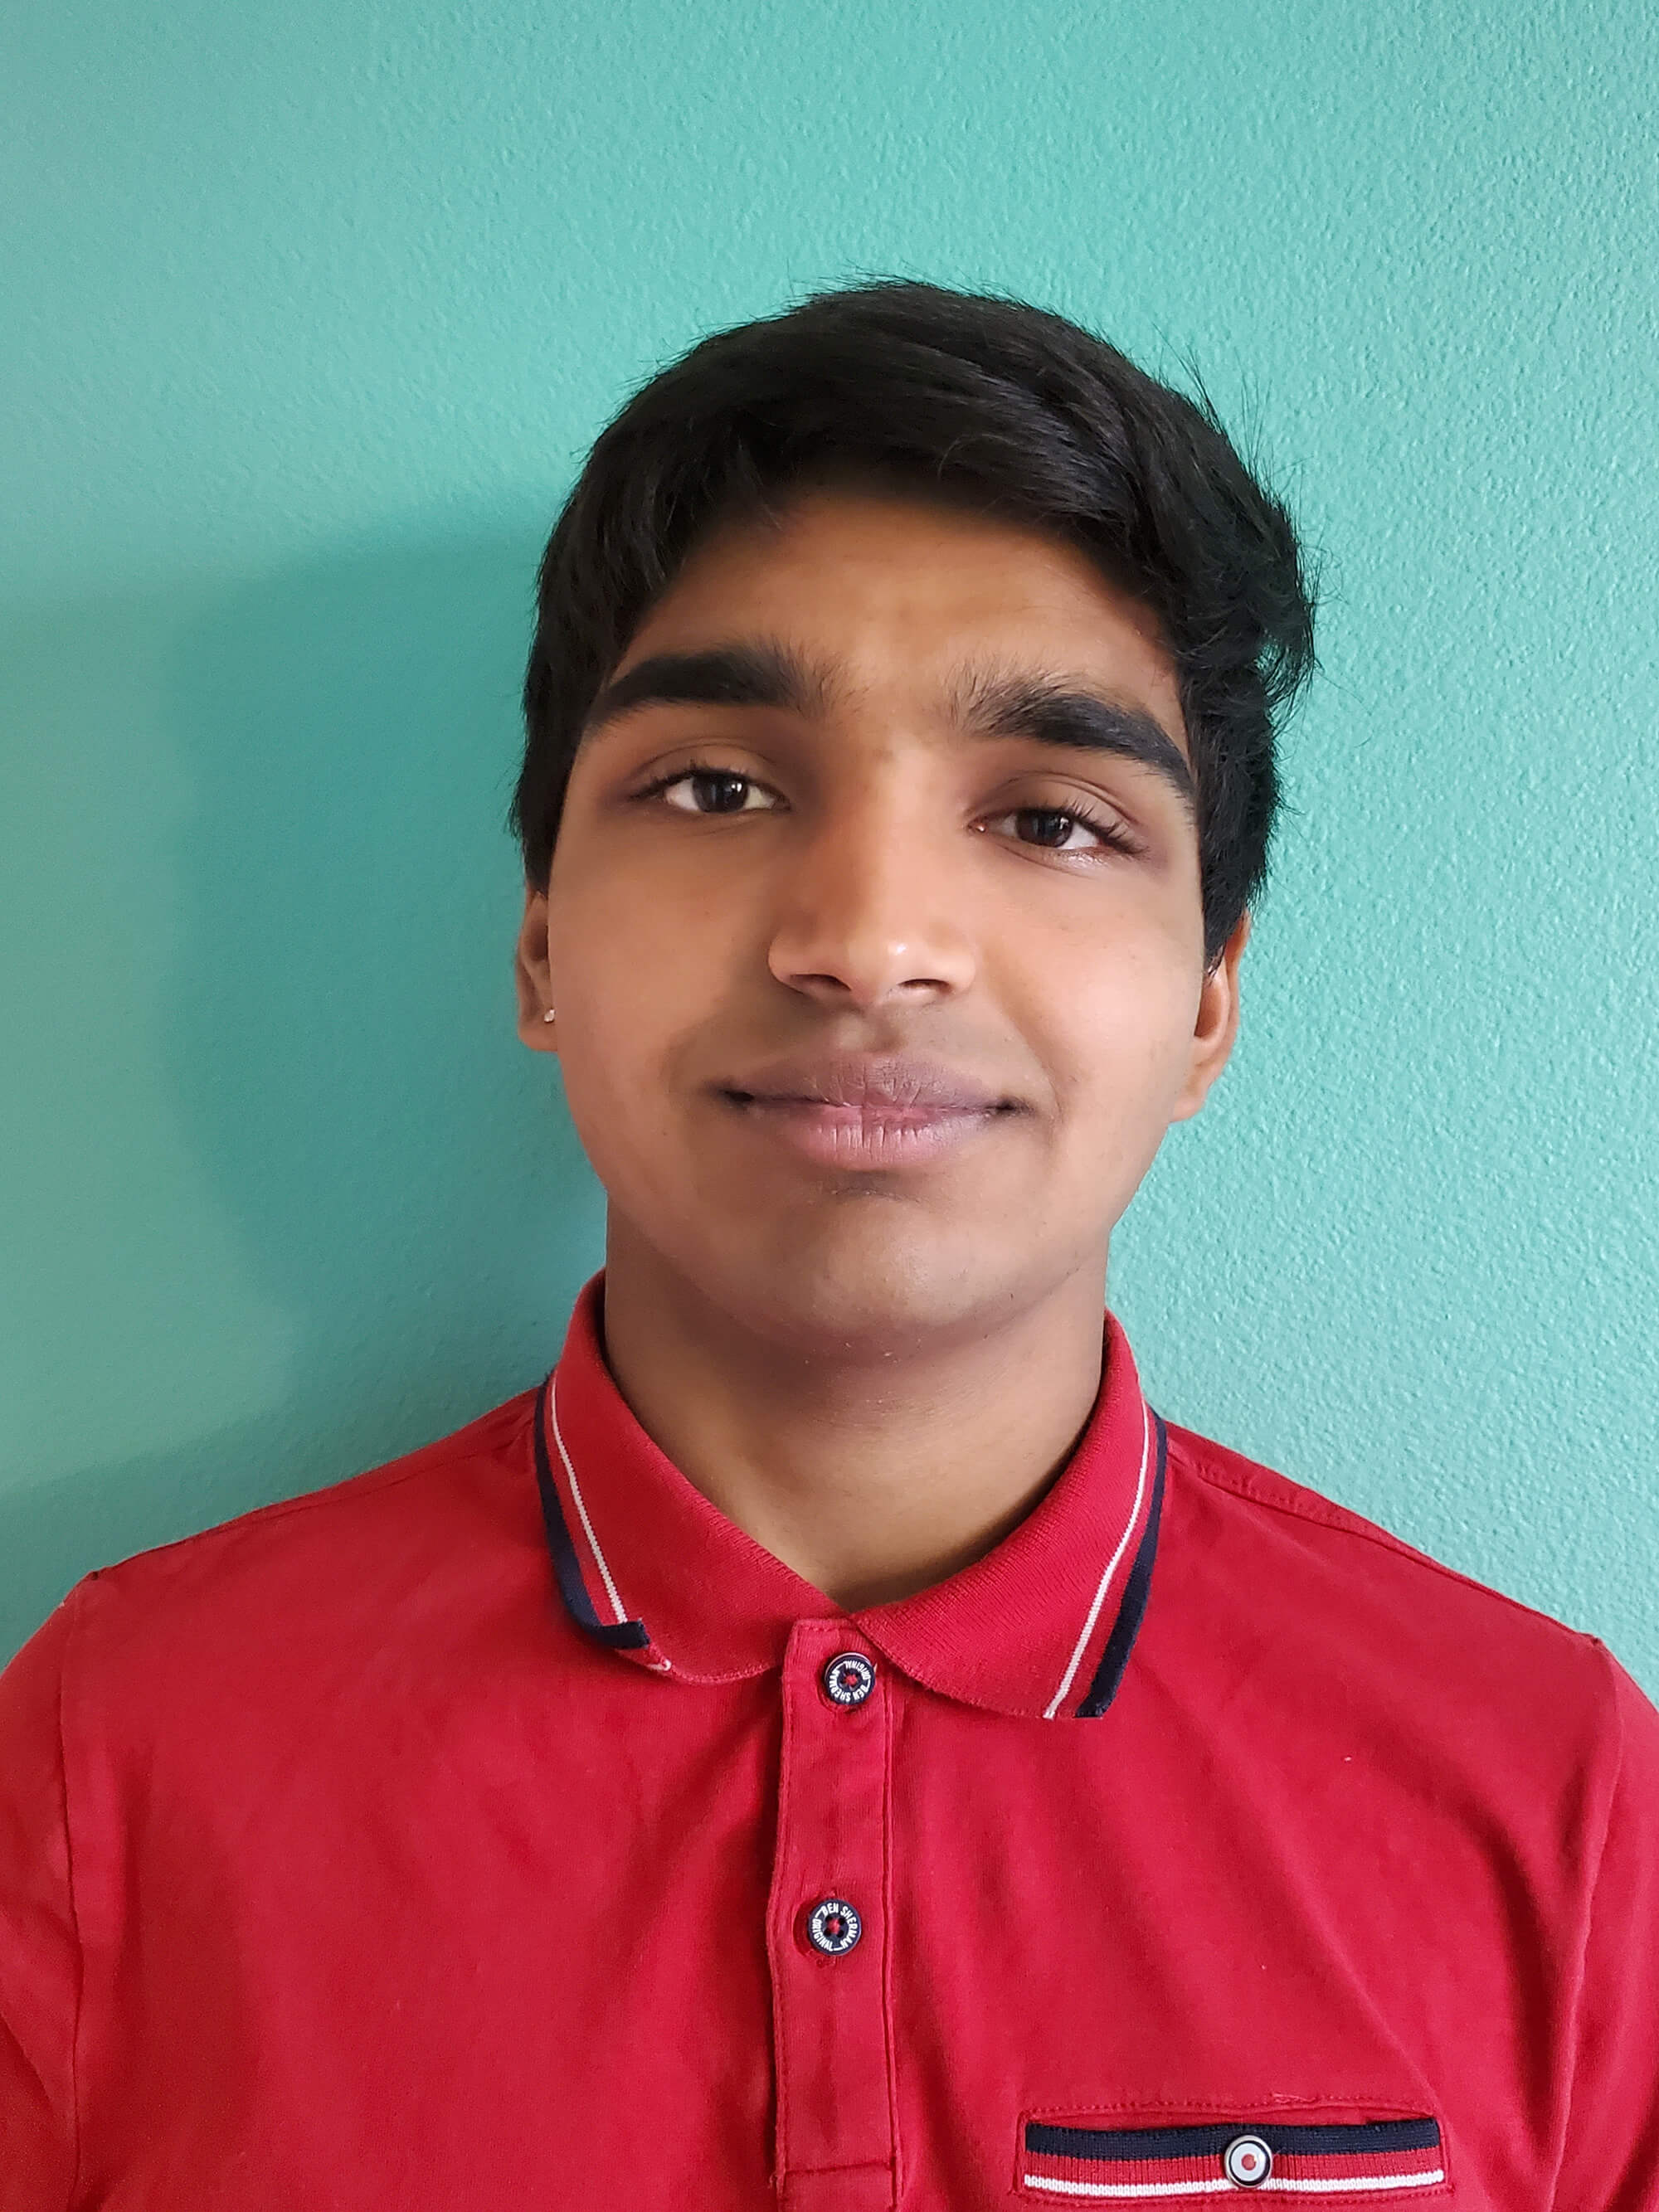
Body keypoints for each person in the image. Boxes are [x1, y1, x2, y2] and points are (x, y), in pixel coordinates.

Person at [1, 280, 1654, 2212]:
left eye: (1047, 816)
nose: (868, 938)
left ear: (1209, 1001)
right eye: (715, 786)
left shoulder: (1552, 1797)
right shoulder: (110, 1757)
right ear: (540, 943)